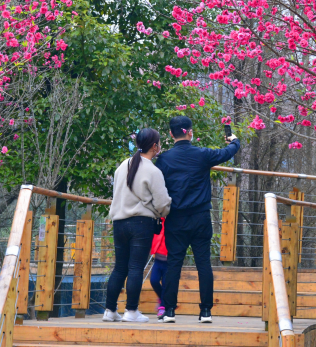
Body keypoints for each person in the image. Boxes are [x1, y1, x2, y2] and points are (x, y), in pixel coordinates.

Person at [155, 115, 240, 324]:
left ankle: (169, 311)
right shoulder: (203, 155)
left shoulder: (164, 159)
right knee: (203, 264)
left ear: (170, 134)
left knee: (174, 263)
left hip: (175, 218)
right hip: (201, 217)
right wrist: (235, 141)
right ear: (190, 132)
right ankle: (206, 312)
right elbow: (227, 152)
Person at [103, 128, 171, 323]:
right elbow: (162, 203)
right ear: (154, 146)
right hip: (141, 223)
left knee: (120, 268)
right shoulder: (152, 170)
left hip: (119, 222)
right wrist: (164, 211)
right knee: (135, 268)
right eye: (158, 144)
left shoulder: (122, 166)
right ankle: (131, 311)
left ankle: (110, 310)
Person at [149, 219, 167, 320]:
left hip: (168, 261)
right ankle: (162, 299)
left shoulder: (172, 225)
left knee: (165, 284)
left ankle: (162, 307)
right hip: (158, 259)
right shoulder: (158, 222)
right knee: (154, 280)